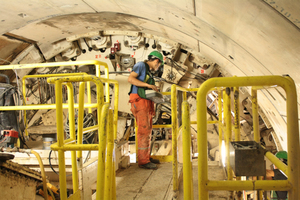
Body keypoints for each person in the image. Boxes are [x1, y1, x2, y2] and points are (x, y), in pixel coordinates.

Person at [128, 50, 164, 169]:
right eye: (158, 65)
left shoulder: (148, 71)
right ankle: (143, 161)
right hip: (139, 101)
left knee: (147, 130)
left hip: (145, 102)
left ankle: (146, 157)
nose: (157, 67)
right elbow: (131, 79)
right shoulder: (141, 65)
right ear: (156, 61)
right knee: (143, 131)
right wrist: (149, 86)